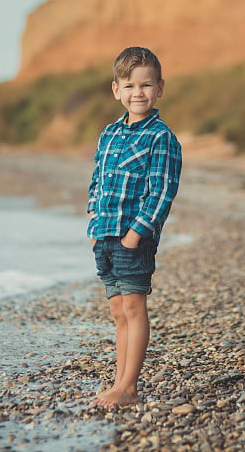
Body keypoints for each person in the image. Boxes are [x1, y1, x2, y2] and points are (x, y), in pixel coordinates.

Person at [87, 46, 182, 407]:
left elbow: (161, 192)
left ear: (160, 88)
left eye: (145, 85)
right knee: (116, 310)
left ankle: (129, 388)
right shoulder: (109, 133)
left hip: (132, 237)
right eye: (129, 86)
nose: (137, 93)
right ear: (117, 90)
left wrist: (135, 234)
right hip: (104, 234)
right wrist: (95, 222)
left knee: (133, 308)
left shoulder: (161, 137)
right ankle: (118, 381)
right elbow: (98, 179)